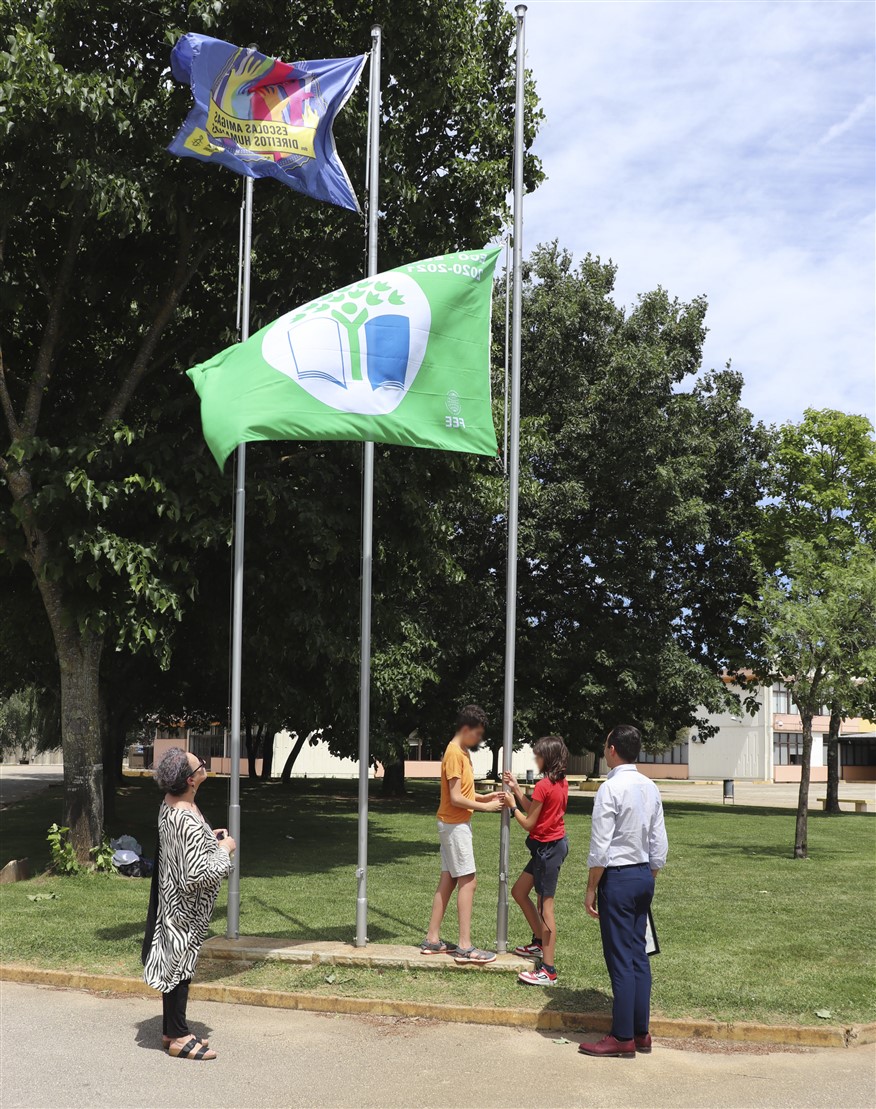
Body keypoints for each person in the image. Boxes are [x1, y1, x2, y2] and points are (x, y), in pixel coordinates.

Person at [578, 725, 668, 1060]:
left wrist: (591, 887)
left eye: (605, 745)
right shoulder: (650, 787)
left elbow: (601, 847)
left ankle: (622, 1036)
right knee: (638, 955)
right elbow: (659, 841)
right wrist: (649, 873)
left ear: (613, 749)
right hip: (644, 873)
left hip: (617, 877)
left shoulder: (610, 788)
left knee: (620, 959)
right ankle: (641, 1032)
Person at [142, 747, 236, 1060]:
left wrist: (209, 837)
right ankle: (179, 1037)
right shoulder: (184, 818)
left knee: (175, 962)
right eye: (200, 765)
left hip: (174, 898)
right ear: (190, 780)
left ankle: (172, 1030)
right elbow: (196, 875)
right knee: (180, 967)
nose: (203, 765)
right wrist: (224, 850)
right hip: (186, 906)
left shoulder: (174, 805)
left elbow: (184, 850)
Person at [421, 705, 504, 963]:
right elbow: (456, 798)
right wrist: (486, 806)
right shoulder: (455, 753)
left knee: (449, 880)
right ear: (465, 729)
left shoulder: (462, 752)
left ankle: (432, 940)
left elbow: (462, 793)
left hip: (453, 824)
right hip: (455, 825)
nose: (478, 740)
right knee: (469, 881)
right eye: (477, 734)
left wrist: (484, 795)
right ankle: (465, 947)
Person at [503, 735, 570, 986]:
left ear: (548, 758)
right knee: (519, 891)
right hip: (549, 847)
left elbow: (529, 822)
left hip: (548, 850)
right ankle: (539, 943)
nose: (536, 758)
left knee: (546, 908)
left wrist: (512, 807)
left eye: (538, 755)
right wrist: (518, 790)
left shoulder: (544, 784)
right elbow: (535, 810)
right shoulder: (559, 782)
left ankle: (548, 970)